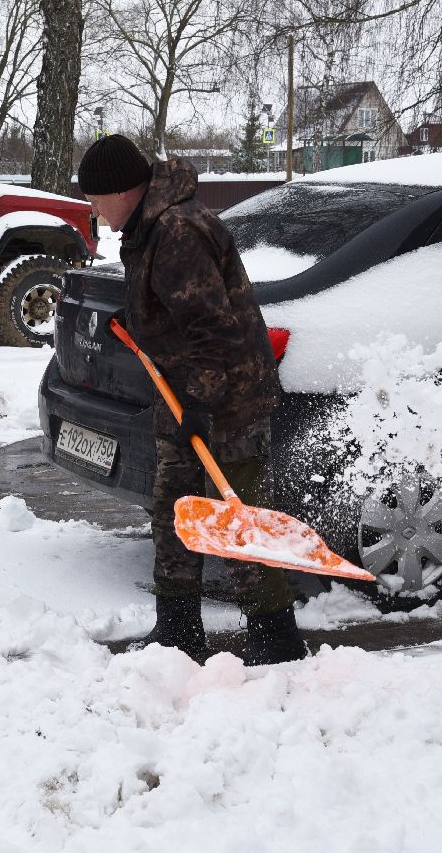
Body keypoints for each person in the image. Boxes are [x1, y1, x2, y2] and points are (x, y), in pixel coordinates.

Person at [76, 134, 306, 666]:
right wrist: (139, 319)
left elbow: (212, 327)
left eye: (95, 198)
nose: (92, 209)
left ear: (123, 190)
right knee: (174, 511)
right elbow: (176, 309)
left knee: (237, 516)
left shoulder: (177, 231)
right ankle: (178, 630)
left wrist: (201, 402)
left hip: (226, 399)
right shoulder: (148, 227)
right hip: (184, 395)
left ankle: (277, 639)